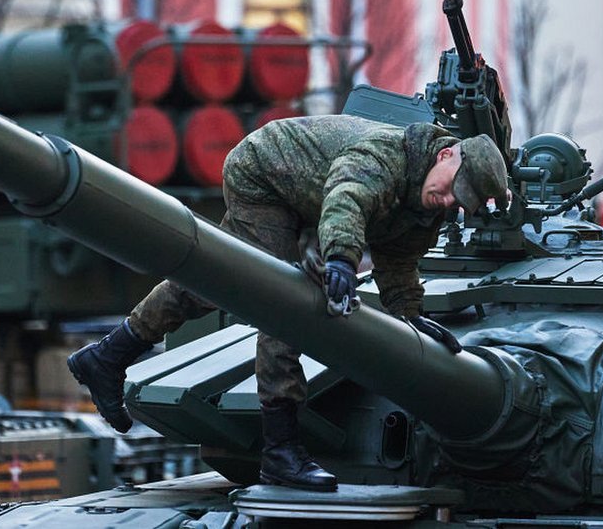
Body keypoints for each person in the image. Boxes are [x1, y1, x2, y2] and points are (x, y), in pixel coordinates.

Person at [67, 115, 509, 492]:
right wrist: (340, 259)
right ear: (447, 155)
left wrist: (411, 315)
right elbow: (346, 197)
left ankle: (107, 355)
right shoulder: (389, 156)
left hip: (302, 195)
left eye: (460, 202)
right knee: (281, 301)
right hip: (264, 172)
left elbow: (399, 264)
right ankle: (279, 451)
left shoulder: (425, 206)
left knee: (216, 282)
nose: (450, 201)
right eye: (454, 188)